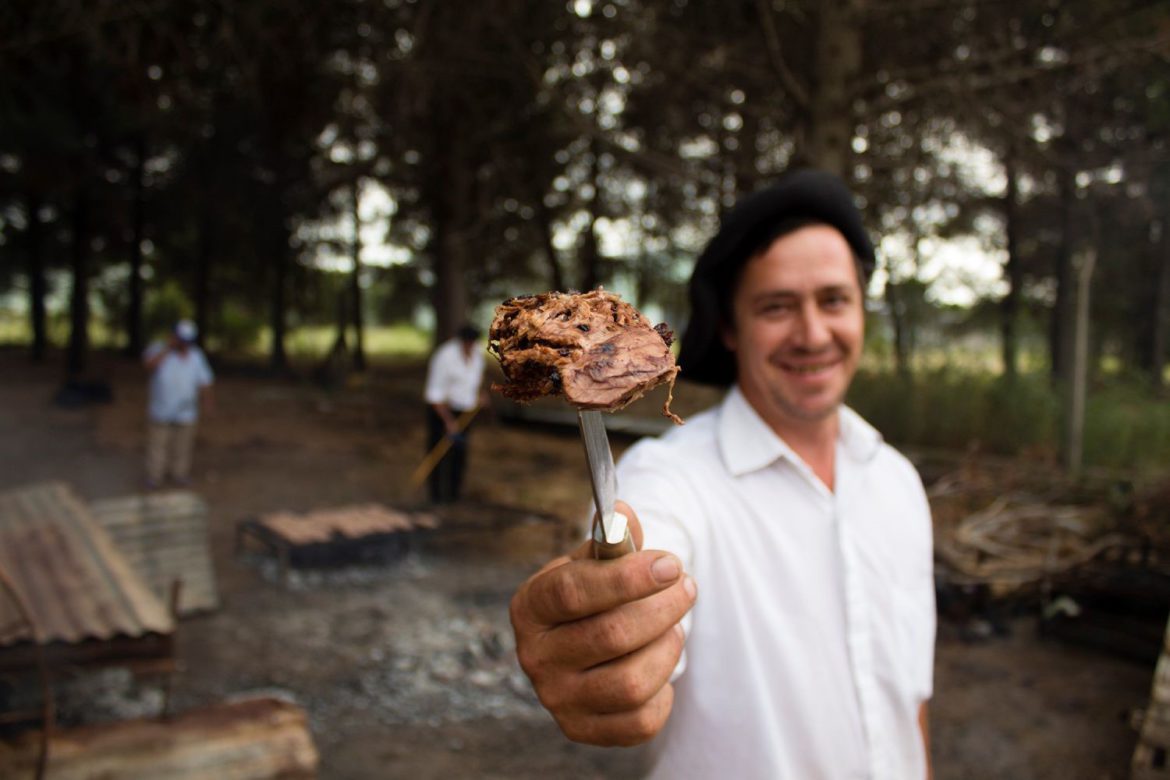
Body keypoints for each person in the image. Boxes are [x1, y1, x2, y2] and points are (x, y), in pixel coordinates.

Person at [508, 170, 936, 779]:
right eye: (777, 307)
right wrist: (601, 629)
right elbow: (641, 565)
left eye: (834, 300)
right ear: (731, 328)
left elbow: (910, 701)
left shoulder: (898, 482)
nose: (813, 334)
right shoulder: (673, 478)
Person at [143, 319, 215, 488]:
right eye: (181, 340)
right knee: (158, 445)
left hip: (186, 411)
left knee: (183, 446)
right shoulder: (158, 349)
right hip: (161, 410)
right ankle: (155, 477)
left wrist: (208, 402)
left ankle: (180, 474)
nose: (183, 344)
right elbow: (149, 366)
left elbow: (205, 381)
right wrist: (167, 349)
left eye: (187, 341)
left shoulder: (196, 356)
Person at [423, 323, 488, 504]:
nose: (470, 345)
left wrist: (479, 396)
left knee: (460, 453)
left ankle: (454, 494)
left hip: (464, 412)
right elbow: (434, 394)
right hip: (442, 411)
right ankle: (435, 495)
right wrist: (448, 421)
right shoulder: (444, 357)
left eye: (473, 342)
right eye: (467, 342)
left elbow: (474, 381)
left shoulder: (477, 355)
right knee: (439, 453)